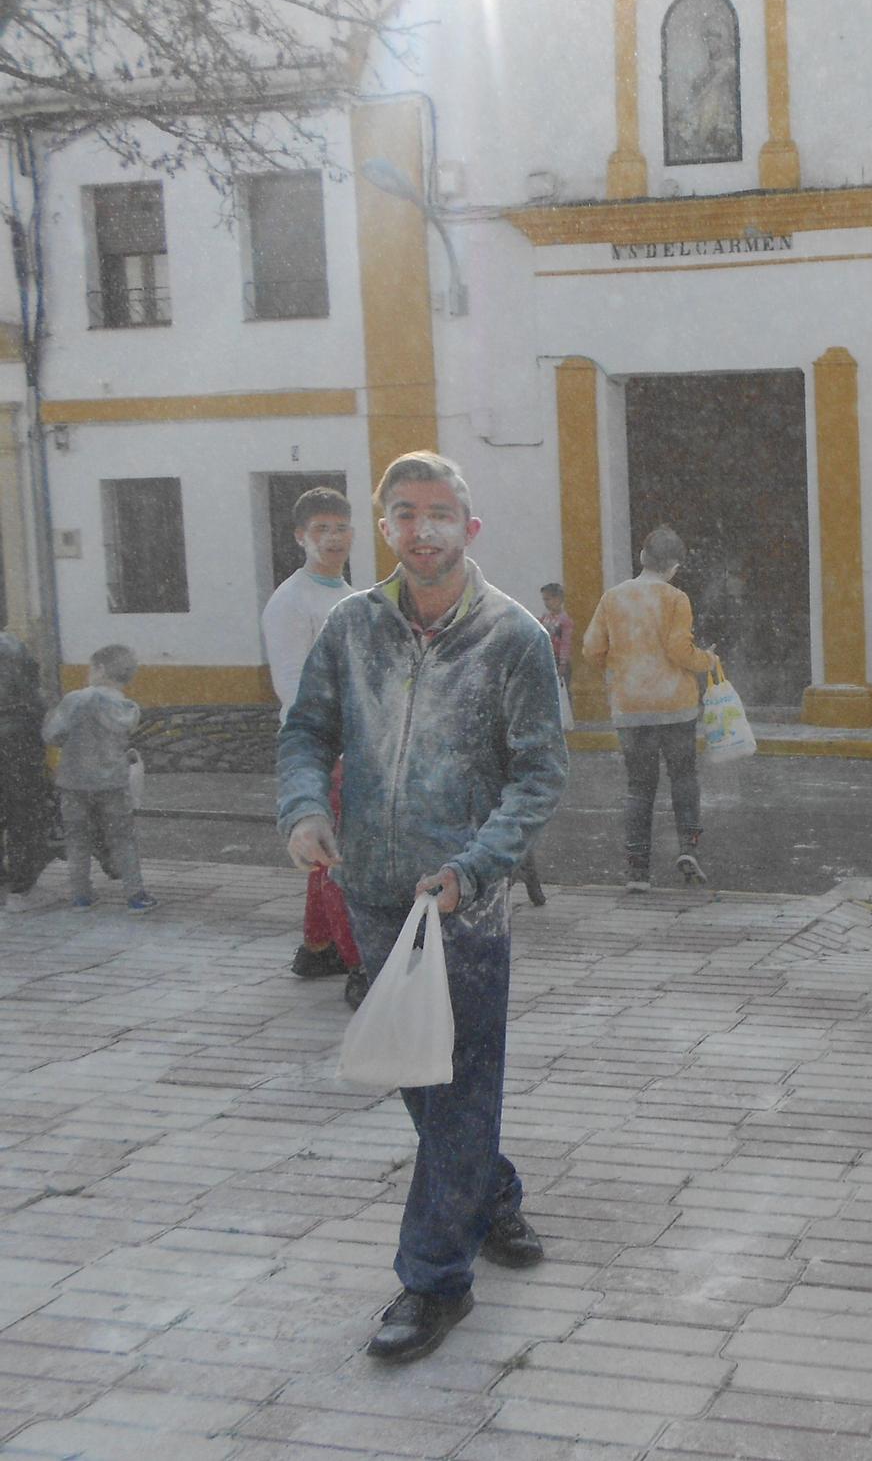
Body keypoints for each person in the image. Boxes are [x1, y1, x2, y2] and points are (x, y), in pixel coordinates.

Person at [278, 450, 567, 1363]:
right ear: (385, 527)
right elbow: (305, 731)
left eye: (440, 512)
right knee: (420, 1070)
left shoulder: (513, 636)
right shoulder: (351, 627)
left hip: (461, 901)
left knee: (459, 1078)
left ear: (469, 527)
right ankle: (491, 1196)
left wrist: (476, 867)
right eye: (403, 512)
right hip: (369, 889)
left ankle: (433, 1280)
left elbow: (539, 773)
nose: (422, 528)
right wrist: (304, 808)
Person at [260, 487, 364, 994]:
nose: (332, 538)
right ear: (300, 536)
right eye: (320, 529)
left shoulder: (349, 596)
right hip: (324, 749)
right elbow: (294, 687)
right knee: (341, 855)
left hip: (356, 744)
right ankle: (359, 962)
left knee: (328, 849)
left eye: (340, 528)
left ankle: (319, 947)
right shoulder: (290, 601)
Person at [580, 527, 719, 889]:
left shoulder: (613, 598)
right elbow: (678, 649)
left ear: (642, 557)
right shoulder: (676, 598)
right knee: (684, 778)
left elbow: (592, 649)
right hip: (676, 707)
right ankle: (688, 846)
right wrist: (707, 660)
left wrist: (623, 665)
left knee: (639, 787)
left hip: (632, 707)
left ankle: (637, 870)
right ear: (674, 567)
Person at [43, 644, 154, 913]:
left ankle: (81, 895)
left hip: (74, 782)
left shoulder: (76, 700)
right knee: (122, 838)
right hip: (112, 784)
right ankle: (135, 895)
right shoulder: (128, 708)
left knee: (78, 839)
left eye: (91, 668)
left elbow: (52, 735)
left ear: (101, 669)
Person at [1, 631, 52, 911]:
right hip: (16, 738)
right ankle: (23, 890)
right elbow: (32, 690)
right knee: (24, 812)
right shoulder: (12, 645)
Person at [538, 582, 574, 689]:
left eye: (548, 599)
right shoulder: (545, 618)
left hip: (558, 659)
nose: (546, 603)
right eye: (544, 600)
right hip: (547, 657)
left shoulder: (564, 621)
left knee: (561, 688)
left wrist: (563, 663)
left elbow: (565, 643)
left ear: (558, 599)